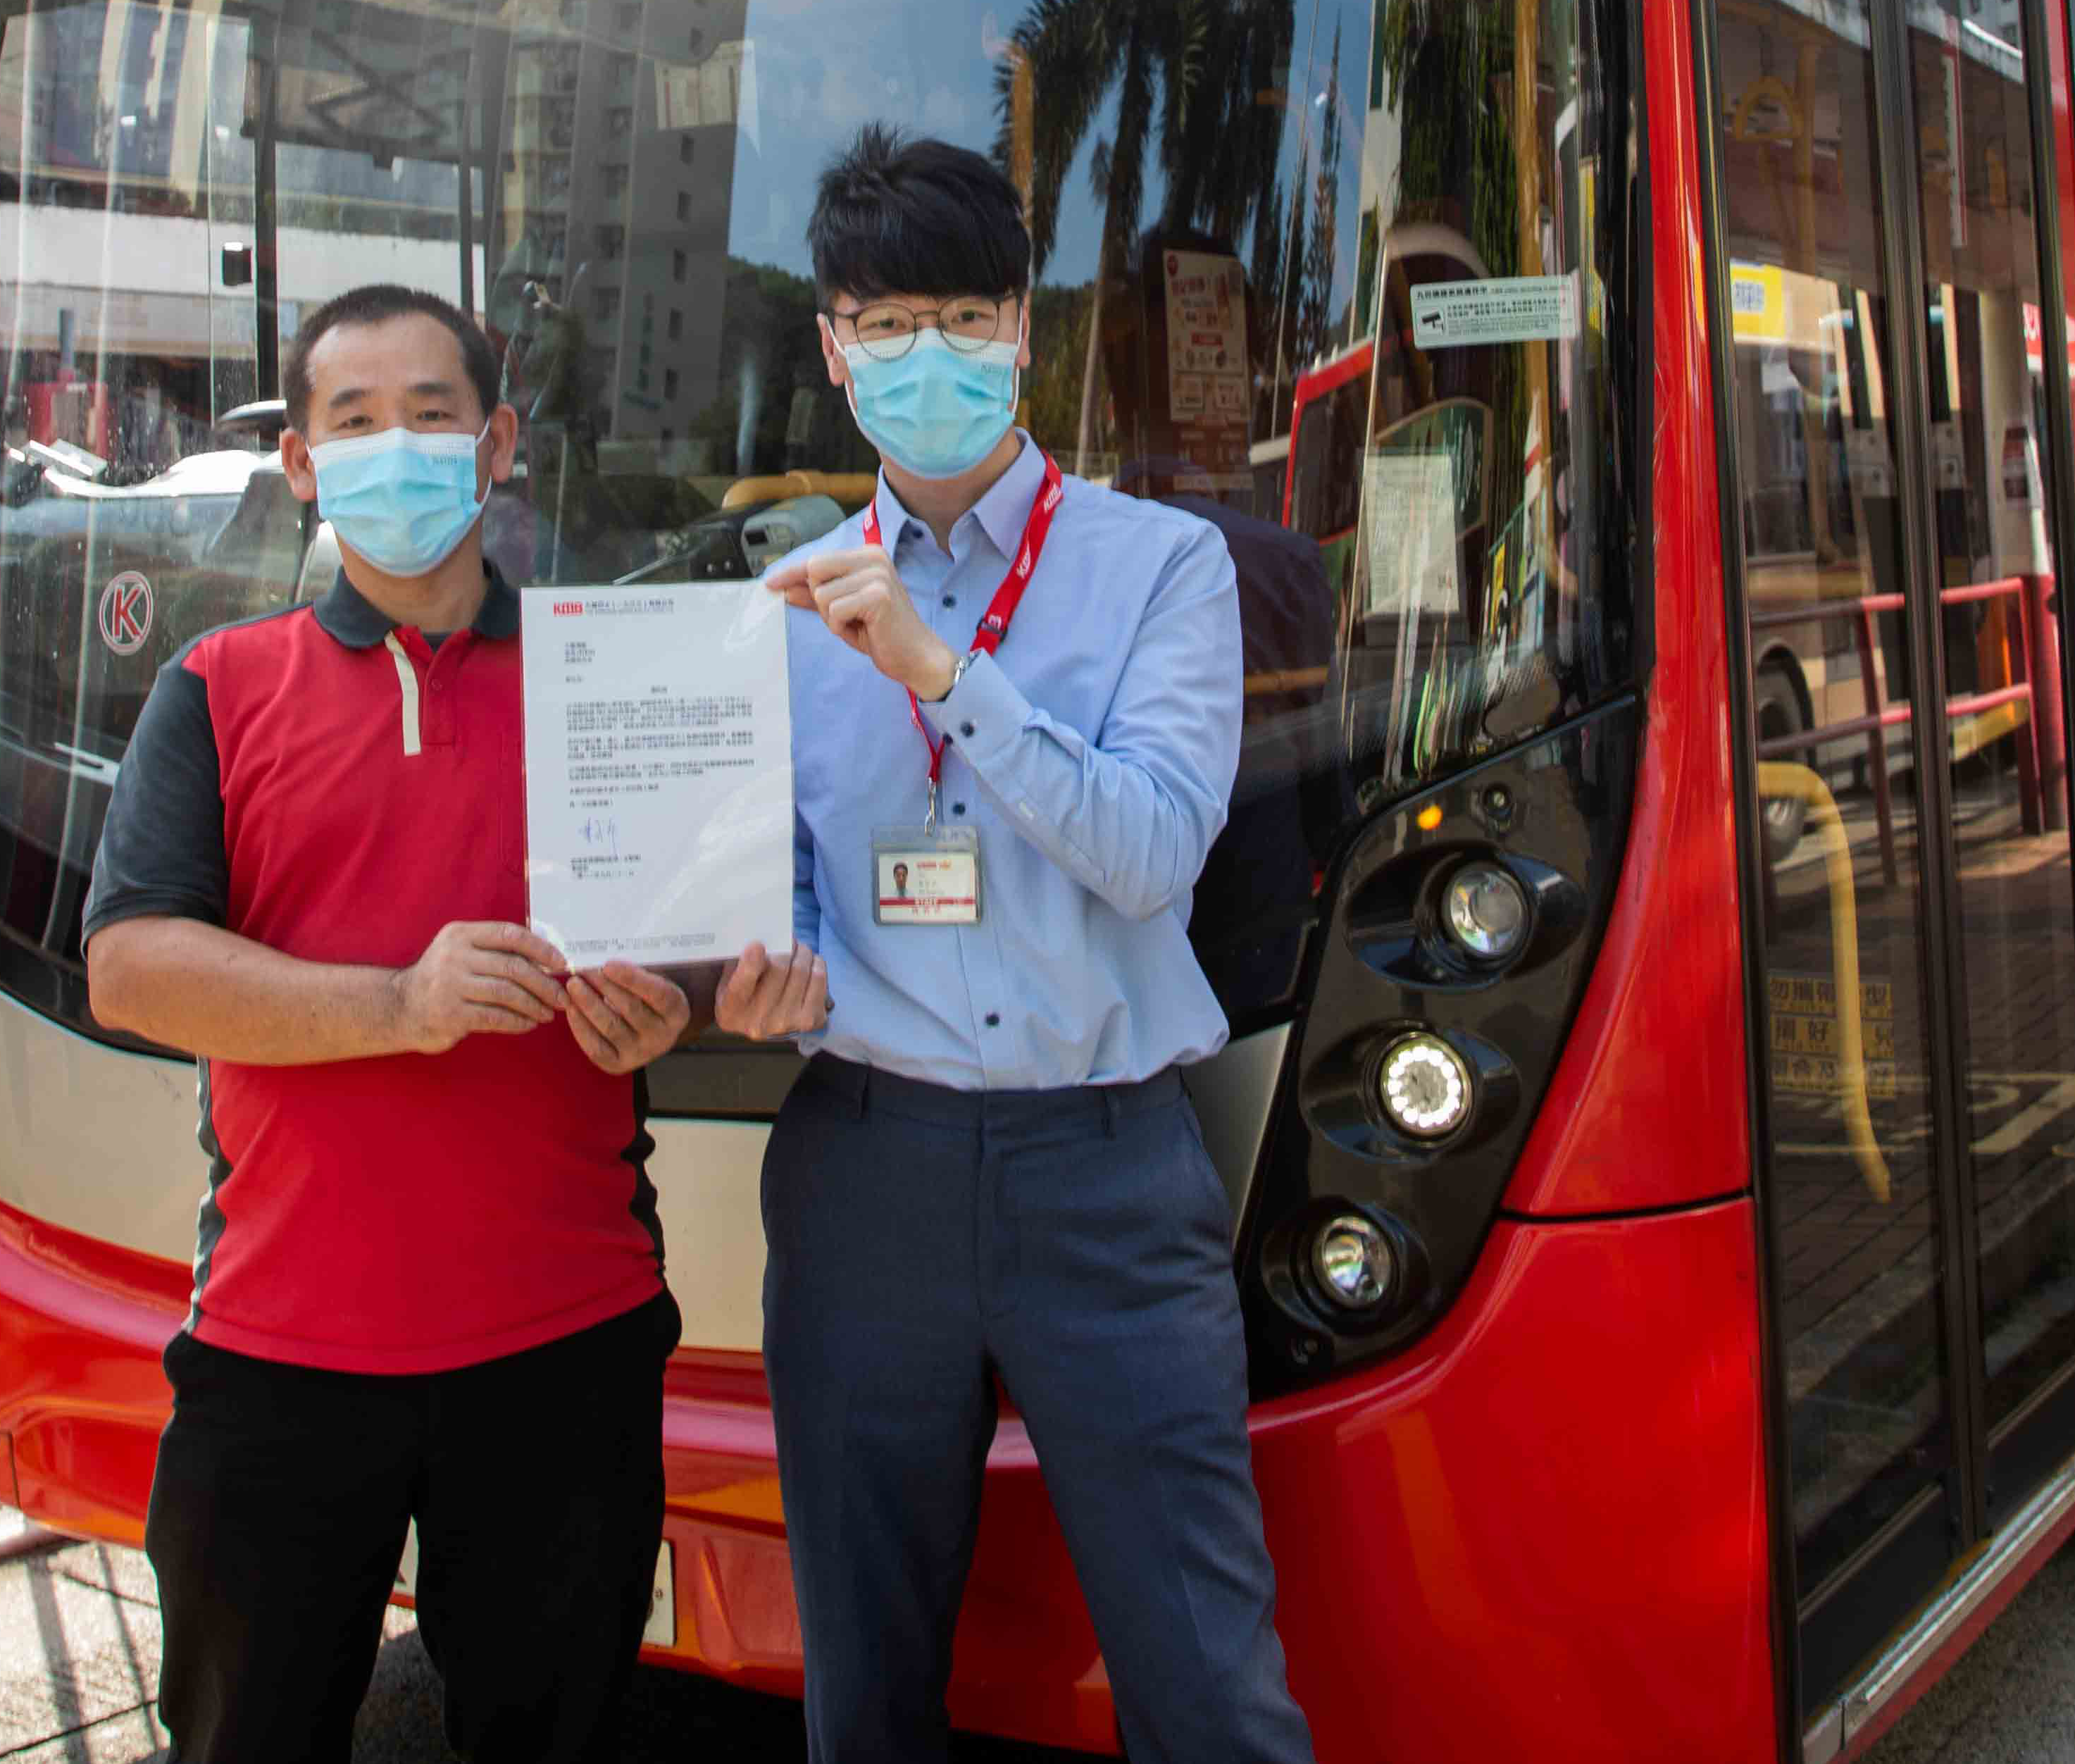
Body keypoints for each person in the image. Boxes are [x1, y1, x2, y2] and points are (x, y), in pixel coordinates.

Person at [726, 128, 1313, 1764]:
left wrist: (935, 667)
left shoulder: (1158, 567)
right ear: (833, 348)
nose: (926, 355)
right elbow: (766, 874)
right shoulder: (775, 604)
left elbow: (1145, 852)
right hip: (862, 1165)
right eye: (883, 321)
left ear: (1020, 330)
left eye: (960, 316)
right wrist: (758, 967)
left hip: (1106, 1168)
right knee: (865, 1676)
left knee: (1204, 1675)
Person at [84, 283, 688, 1764]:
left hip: (566, 1346)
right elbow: (132, 966)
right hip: (281, 1353)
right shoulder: (217, 686)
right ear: (300, 462)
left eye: (432, 414)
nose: (396, 447)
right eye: (354, 420)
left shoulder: (612, 680)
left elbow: (699, 950)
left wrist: (667, 1006)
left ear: (497, 442)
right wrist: (400, 1004)